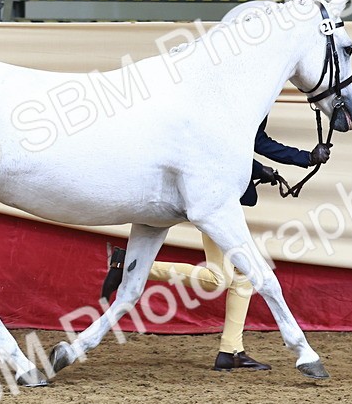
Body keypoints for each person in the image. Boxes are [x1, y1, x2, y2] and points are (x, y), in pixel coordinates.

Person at [103, 118, 329, 371]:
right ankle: (129, 267)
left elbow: (251, 142)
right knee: (219, 278)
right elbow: (233, 146)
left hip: (221, 199)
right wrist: (292, 161)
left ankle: (231, 351)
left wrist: (291, 162)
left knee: (242, 276)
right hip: (215, 202)